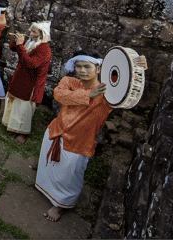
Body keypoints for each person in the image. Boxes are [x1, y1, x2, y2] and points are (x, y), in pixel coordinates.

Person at [35, 49, 147, 222]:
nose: (82, 70)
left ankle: (61, 205)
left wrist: (137, 71)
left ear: (99, 68)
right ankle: (44, 184)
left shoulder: (108, 92)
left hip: (79, 142)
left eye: (87, 66)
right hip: (56, 130)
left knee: (70, 175)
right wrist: (88, 94)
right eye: (78, 66)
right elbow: (59, 94)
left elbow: (124, 85)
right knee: (48, 164)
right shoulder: (68, 81)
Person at [2, 21, 52, 144]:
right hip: (21, 76)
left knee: (24, 107)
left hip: (31, 82)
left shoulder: (44, 50)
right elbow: (13, 47)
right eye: (31, 30)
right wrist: (17, 41)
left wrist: (20, 46)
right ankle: (10, 123)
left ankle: (23, 132)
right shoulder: (31, 42)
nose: (30, 33)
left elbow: (31, 64)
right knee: (14, 101)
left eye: (34, 32)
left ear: (42, 34)